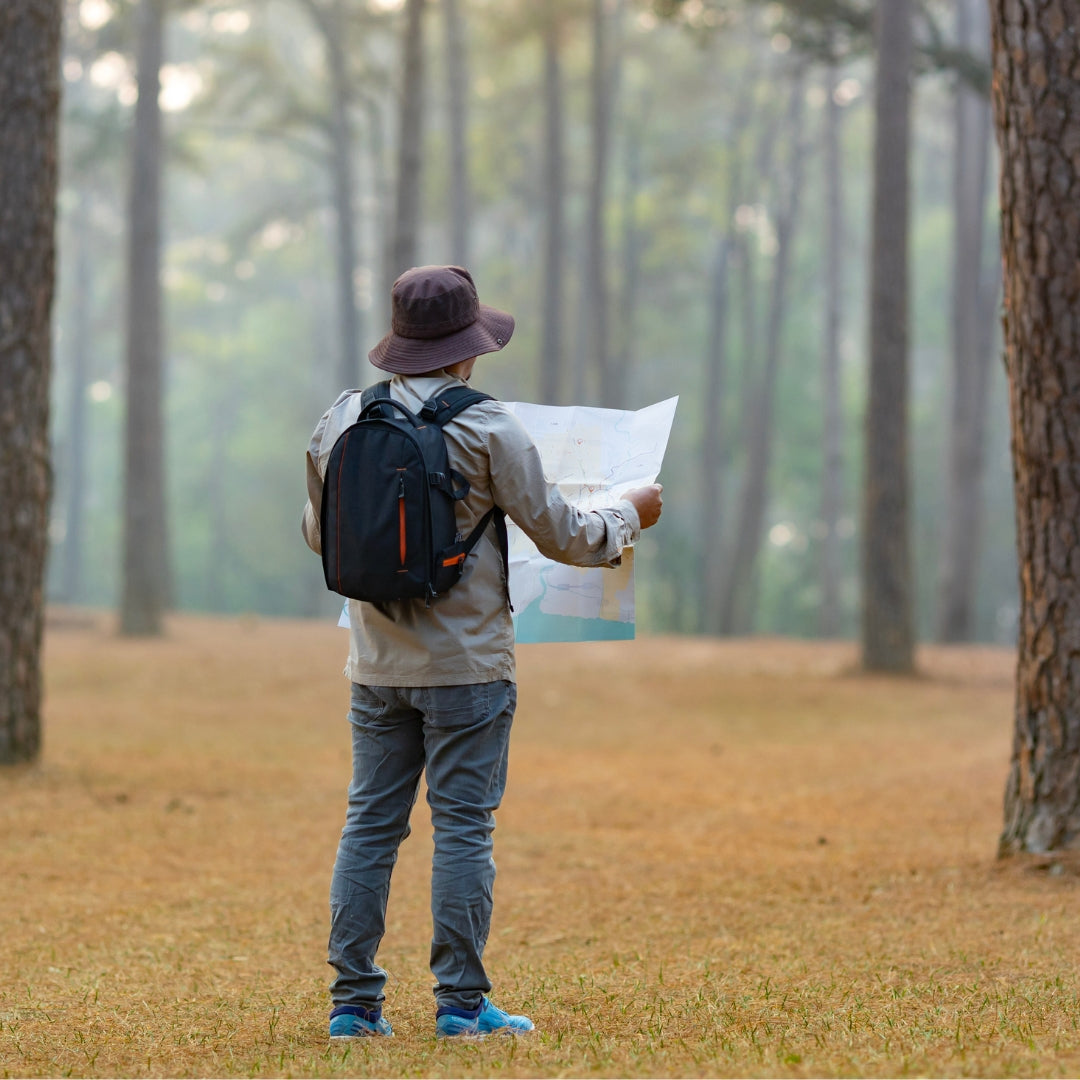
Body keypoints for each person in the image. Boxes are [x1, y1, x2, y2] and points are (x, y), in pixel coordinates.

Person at [302, 265, 663, 1040]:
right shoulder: (490, 428)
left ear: (398, 345)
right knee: (463, 827)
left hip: (373, 662)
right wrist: (630, 515)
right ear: (466, 351)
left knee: (369, 826)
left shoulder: (339, 421)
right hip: (468, 667)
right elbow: (566, 536)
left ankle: (353, 1006)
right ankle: (462, 1007)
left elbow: (316, 531)